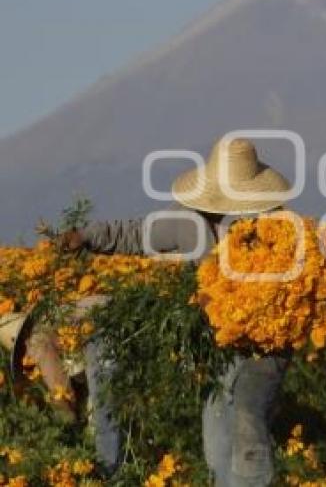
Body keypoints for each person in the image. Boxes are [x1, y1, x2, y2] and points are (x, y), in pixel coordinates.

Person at [61, 136, 291, 486]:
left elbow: (288, 286)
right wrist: (89, 235)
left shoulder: (273, 224)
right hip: (218, 345)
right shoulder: (189, 218)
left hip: (263, 348)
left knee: (247, 432)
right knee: (216, 444)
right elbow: (138, 234)